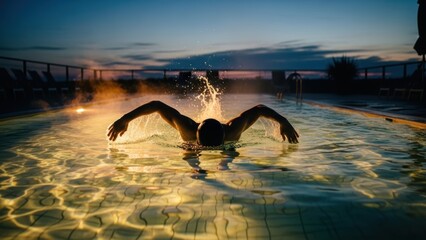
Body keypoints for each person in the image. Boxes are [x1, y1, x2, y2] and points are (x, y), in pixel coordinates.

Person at [107, 100, 299, 146]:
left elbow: (259, 109)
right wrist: (125, 119)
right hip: (191, 139)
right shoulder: (187, 130)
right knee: (187, 151)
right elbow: (157, 105)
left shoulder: (233, 131)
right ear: (196, 139)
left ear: (225, 137)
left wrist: (283, 121)